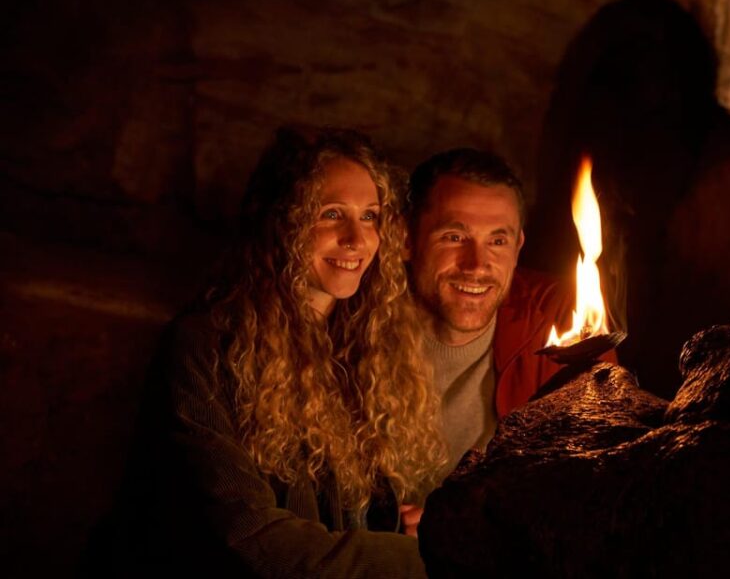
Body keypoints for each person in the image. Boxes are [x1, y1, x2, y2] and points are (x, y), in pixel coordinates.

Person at [88, 128, 446, 578]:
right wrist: (419, 563)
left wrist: (398, 528)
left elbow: (347, 517)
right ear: (283, 222)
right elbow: (246, 538)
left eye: (370, 216)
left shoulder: (366, 348)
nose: (357, 238)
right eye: (331, 213)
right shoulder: (208, 347)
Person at [404, 148, 616, 483]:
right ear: (407, 240)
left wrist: (466, 517)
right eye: (455, 237)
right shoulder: (360, 319)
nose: (476, 265)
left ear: (518, 247)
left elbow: (601, 473)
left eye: (497, 241)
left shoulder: (562, 317)